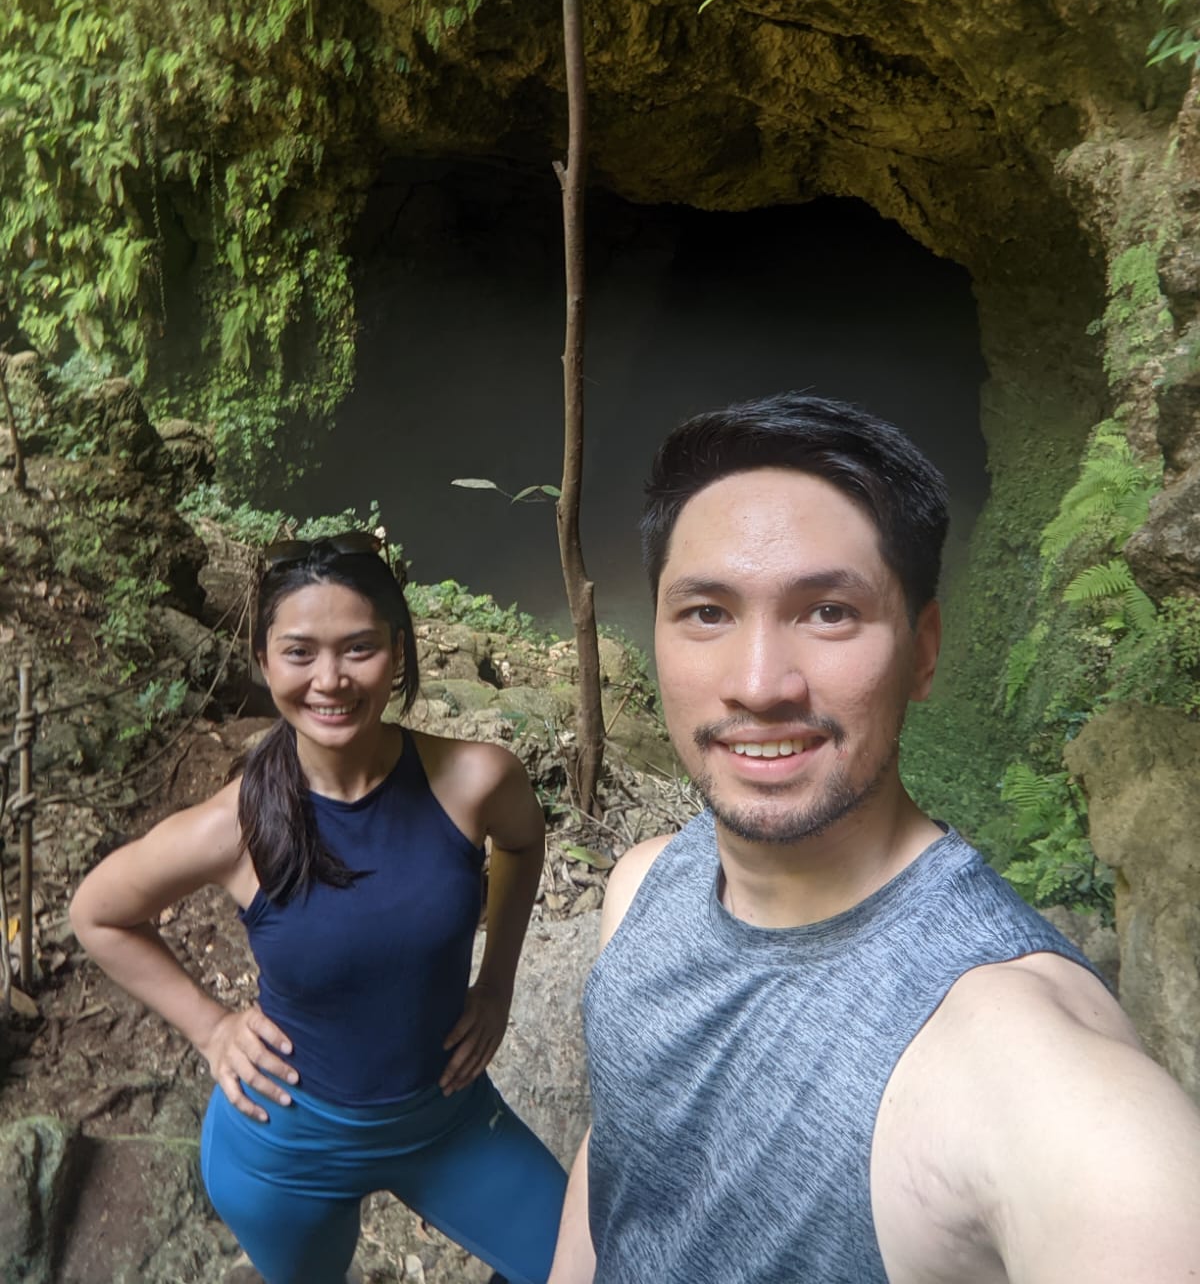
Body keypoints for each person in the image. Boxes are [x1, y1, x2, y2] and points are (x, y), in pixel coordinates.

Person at [549, 393, 1200, 1284]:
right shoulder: (641, 889)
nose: (759, 685)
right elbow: (621, 1159)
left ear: (923, 652)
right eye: (707, 612)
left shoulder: (1020, 1060)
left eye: (828, 612)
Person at [71, 533, 567, 1284]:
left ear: (398, 652)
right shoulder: (235, 824)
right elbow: (98, 913)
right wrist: (211, 1027)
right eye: (299, 653)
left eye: (358, 648)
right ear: (265, 661)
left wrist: (496, 985)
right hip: (286, 1144)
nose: (330, 680)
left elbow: (523, 845)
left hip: (448, 1119)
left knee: (587, 1263)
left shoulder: (476, 780)